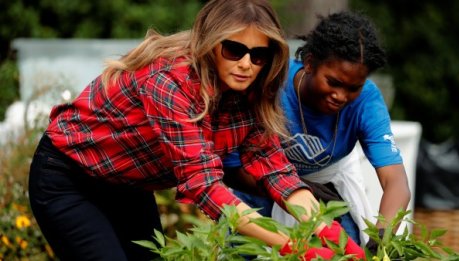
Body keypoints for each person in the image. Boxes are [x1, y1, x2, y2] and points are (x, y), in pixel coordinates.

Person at [28, 1, 365, 260]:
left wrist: (333, 235)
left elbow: (274, 168)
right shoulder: (171, 81)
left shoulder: (248, 91)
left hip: (127, 186)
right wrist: (296, 247)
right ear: (211, 43)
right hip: (69, 177)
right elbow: (206, 187)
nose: (246, 63)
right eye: (235, 50)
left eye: (259, 54)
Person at [223, 10, 411, 246]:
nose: (341, 96)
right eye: (333, 82)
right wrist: (297, 189)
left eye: (354, 88)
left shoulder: (367, 102)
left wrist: (383, 236)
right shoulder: (271, 81)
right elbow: (230, 168)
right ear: (310, 63)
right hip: (257, 185)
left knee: (344, 249)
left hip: (327, 191)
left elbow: (395, 181)